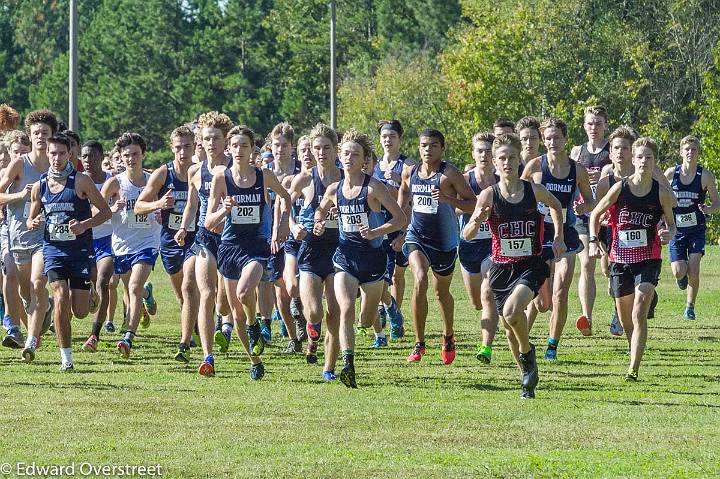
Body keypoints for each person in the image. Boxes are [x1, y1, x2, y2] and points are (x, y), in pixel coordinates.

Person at [465, 133, 565, 398]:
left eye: (511, 157)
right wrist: (478, 220)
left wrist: (558, 237)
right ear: (495, 163)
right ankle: (526, 375)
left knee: (511, 312)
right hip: (501, 268)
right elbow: (467, 235)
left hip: (530, 264)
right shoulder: (488, 195)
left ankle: (527, 354)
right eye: (502, 158)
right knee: (510, 329)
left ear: (519, 159)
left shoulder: (533, 190)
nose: (507, 162)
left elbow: (555, 206)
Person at [313, 128, 407, 388]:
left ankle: (386, 309)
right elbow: (320, 212)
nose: (349, 158)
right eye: (345, 154)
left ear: (365, 159)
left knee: (364, 320)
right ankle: (348, 364)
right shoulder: (334, 189)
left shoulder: (373, 187)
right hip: (345, 257)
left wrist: (376, 231)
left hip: (374, 259)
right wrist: (320, 223)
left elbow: (400, 218)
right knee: (345, 309)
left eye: (355, 154)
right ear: (339, 157)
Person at [204, 125, 291, 379]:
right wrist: (224, 209)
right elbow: (209, 222)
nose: (240, 150)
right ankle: (254, 360)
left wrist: (283, 222)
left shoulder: (263, 176)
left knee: (244, 293)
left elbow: (285, 197)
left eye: (245, 145)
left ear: (252, 149)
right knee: (237, 315)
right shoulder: (222, 178)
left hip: (256, 245)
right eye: (235, 146)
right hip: (230, 247)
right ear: (228, 149)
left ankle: (255, 325)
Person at [589, 137, 676, 381]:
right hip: (620, 259)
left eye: (649, 157)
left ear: (655, 162)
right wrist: (594, 241)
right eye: (640, 157)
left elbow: (672, 223)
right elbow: (595, 213)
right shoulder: (620, 188)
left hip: (649, 257)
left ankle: (633, 369)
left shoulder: (661, 193)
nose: (644, 161)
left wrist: (669, 232)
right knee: (627, 318)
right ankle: (633, 348)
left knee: (639, 311)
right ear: (633, 159)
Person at [26, 133, 111, 370]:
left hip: (80, 252)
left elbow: (105, 212)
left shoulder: (81, 181)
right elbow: (31, 218)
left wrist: (84, 225)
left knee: (81, 312)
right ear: (47, 154)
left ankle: (90, 293)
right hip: (53, 250)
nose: (56, 158)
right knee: (60, 296)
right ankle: (66, 359)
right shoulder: (41, 186)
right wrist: (32, 223)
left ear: (69, 154)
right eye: (52, 153)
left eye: (61, 153)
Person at [397, 129, 476, 364]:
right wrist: (401, 225)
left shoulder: (449, 174)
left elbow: (473, 204)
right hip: (417, 236)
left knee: (441, 292)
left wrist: (448, 200)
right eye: (423, 145)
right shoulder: (410, 172)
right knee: (419, 279)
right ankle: (419, 343)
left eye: (433, 145)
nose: (427, 149)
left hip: (444, 241)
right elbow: (403, 193)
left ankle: (448, 335)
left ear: (442, 148)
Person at [522, 117, 594, 360]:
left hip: (567, 236)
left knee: (560, 292)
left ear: (565, 139)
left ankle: (552, 345)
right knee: (541, 301)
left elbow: (590, 199)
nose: (553, 142)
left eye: (557, 137)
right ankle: (523, 338)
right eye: (548, 138)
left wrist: (585, 208)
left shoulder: (578, 170)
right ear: (544, 140)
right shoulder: (534, 167)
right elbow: (518, 195)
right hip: (539, 237)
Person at [175, 111, 234, 376]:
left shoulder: (235, 169)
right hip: (204, 236)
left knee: (226, 298)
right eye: (207, 138)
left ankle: (233, 325)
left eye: (216, 139)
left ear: (225, 141)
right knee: (206, 293)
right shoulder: (195, 171)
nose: (211, 143)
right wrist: (183, 227)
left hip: (233, 238)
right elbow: (191, 205)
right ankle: (208, 356)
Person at [135, 126, 199, 362]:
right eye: (178, 147)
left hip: (195, 238)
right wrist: (159, 203)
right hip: (170, 241)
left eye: (187, 146)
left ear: (194, 147)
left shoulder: (200, 172)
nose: (183, 152)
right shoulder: (163, 173)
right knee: (183, 297)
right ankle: (194, 327)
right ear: (172, 147)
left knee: (190, 287)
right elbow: (139, 206)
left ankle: (185, 343)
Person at [0, 109, 58, 362]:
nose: (41, 138)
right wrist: (20, 195)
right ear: (30, 136)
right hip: (18, 237)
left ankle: (31, 343)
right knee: (26, 293)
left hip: (46, 238)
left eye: (45, 133)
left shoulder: (58, 166)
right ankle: (38, 314)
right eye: (36, 133)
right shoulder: (20, 164)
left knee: (38, 283)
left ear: (52, 136)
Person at [101, 132, 160, 359]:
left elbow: (167, 204)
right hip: (122, 244)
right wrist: (111, 210)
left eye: (135, 154)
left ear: (143, 155)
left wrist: (161, 212)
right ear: (120, 157)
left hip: (147, 241)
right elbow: (95, 210)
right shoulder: (115, 183)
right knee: (131, 289)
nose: (130, 159)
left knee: (133, 287)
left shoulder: (153, 180)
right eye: (126, 155)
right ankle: (147, 293)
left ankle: (128, 337)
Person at [289, 124, 342, 375]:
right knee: (314, 311)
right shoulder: (305, 179)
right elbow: (283, 204)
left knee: (335, 310)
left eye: (326, 148)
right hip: (310, 250)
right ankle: (312, 330)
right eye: (316, 148)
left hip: (338, 250)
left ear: (336, 150)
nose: (321, 153)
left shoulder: (345, 179)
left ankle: (329, 366)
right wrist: (293, 226)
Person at [665, 136, 720, 320]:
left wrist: (708, 209)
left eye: (694, 149)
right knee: (679, 271)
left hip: (696, 229)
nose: (690, 152)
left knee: (694, 268)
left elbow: (717, 204)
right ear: (681, 152)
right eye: (687, 149)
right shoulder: (671, 174)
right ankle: (681, 276)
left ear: (698, 153)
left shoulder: (705, 176)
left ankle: (690, 306)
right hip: (676, 230)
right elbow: (658, 197)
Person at [570, 106, 611, 338]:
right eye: (589, 123)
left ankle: (617, 307)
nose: (593, 127)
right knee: (586, 263)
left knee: (610, 268)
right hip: (584, 216)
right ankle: (587, 317)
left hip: (608, 217)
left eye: (598, 123)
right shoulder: (577, 152)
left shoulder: (611, 151)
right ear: (584, 126)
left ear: (605, 125)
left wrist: (603, 177)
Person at [458, 131, 498, 363]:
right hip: (468, 245)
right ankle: (492, 319)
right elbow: (452, 208)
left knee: (488, 293)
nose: (484, 155)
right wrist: (475, 211)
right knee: (476, 302)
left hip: (493, 246)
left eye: (488, 150)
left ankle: (486, 347)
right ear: (473, 154)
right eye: (480, 150)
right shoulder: (464, 180)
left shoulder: (502, 180)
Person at [595, 126, 639, 336]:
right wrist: (599, 225)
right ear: (610, 153)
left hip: (640, 236)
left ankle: (626, 311)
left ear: (632, 151)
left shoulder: (646, 174)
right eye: (616, 148)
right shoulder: (606, 180)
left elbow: (664, 199)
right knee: (609, 274)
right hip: (612, 234)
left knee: (636, 276)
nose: (620, 152)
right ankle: (618, 304)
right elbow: (596, 211)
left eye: (624, 148)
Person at [374, 120, 416, 338]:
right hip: (378, 225)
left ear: (400, 139)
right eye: (384, 136)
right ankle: (390, 312)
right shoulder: (374, 165)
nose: (387, 140)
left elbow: (415, 197)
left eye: (392, 136)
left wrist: (400, 182)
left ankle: (393, 315)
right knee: (383, 275)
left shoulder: (407, 164)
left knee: (397, 274)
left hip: (401, 225)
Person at [80, 140, 119, 351]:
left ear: (101, 158)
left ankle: (94, 334)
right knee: (88, 283)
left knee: (103, 281)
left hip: (107, 239)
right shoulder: (77, 181)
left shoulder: (111, 182)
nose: (87, 160)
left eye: (92, 156)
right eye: (84, 156)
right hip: (84, 241)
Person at [0, 130, 30, 349]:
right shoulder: (5, 173)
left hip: (34, 232)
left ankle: (36, 319)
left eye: (23, 152)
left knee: (27, 282)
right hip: (7, 230)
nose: (19, 156)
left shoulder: (34, 170)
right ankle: (12, 324)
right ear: (8, 152)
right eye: (15, 152)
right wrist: (16, 197)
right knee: (9, 272)